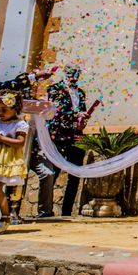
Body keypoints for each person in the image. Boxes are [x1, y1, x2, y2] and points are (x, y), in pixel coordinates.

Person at [31, 65, 87, 217]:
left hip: (76, 136)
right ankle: (45, 210)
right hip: (58, 136)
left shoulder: (81, 93)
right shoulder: (55, 89)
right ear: (66, 74)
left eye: (76, 73)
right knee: (53, 173)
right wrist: (76, 116)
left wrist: (82, 120)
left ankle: (67, 212)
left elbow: (81, 112)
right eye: (71, 73)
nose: (74, 76)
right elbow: (58, 112)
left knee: (75, 175)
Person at [0, 90, 29, 233]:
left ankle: (5, 216)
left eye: (4, 110)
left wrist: (1, 138)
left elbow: (20, 143)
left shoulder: (20, 124)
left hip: (7, 159)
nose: (0, 112)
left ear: (14, 109)